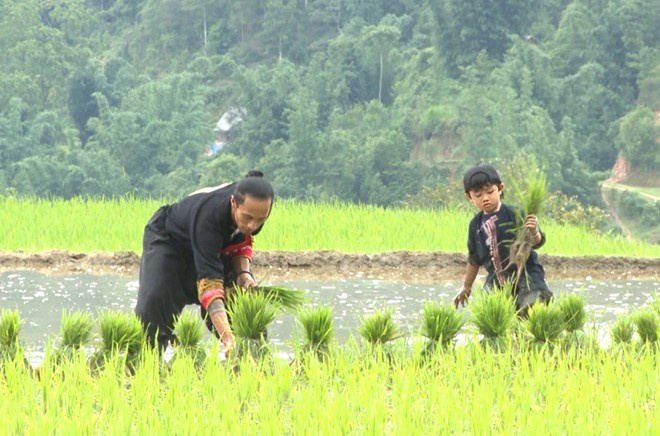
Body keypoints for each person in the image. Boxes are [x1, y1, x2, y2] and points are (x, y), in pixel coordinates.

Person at [135, 170, 274, 352]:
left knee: (243, 307)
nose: (252, 225)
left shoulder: (255, 209)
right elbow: (210, 286)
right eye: (247, 217)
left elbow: (240, 239)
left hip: (213, 246)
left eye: (260, 220)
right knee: (155, 305)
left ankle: (252, 364)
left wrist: (243, 273)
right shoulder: (210, 216)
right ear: (233, 203)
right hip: (171, 241)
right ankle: (143, 365)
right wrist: (227, 338)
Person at [453, 163, 553, 316]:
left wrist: (534, 231)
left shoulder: (515, 214)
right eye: (478, 195)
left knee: (531, 307)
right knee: (490, 314)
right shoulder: (475, 226)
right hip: (497, 278)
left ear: (500, 189)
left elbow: (536, 242)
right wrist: (467, 287)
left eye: (490, 191)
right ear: (469, 198)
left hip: (526, 274)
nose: (485, 198)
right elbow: (474, 260)